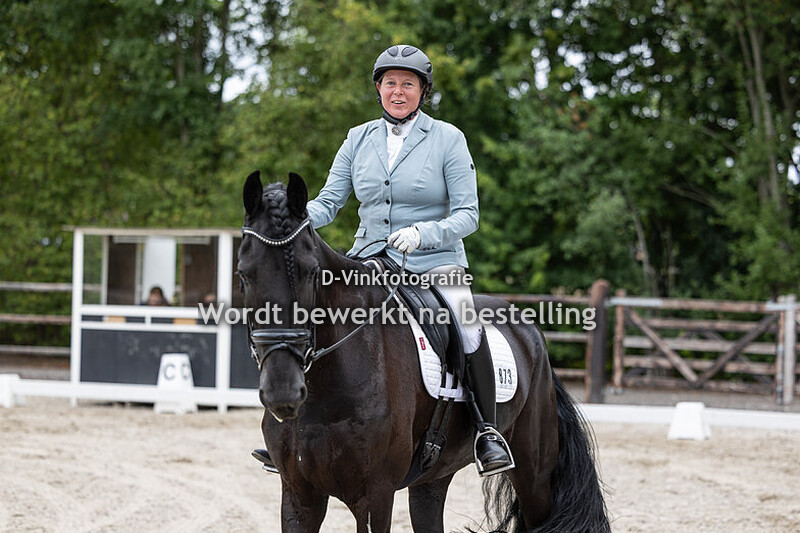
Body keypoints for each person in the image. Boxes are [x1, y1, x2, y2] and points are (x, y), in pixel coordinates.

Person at [253, 44, 513, 477]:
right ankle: (293, 428)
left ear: (422, 91)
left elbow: (469, 215)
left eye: (407, 84)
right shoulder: (358, 138)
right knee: (305, 315)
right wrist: (290, 221)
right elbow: (330, 202)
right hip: (368, 259)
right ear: (378, 89)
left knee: (467, 327)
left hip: (437, 263)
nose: (398, 91)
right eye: (390, 83)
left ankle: (487, 432)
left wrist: (423, 234)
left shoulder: (449, 139)